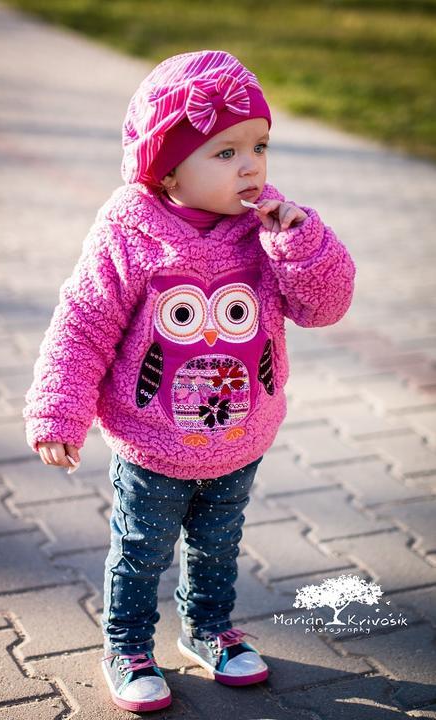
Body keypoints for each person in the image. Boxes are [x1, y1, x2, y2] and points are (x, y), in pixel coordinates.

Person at [23, 49, 356, 712]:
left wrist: (300, 243)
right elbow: (83, 323)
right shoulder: (129, 231)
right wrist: (59, 412)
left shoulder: (270, 227)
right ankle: (127, 646)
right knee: (141, 550)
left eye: (259, 146)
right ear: (168, 167)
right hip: (152, 441)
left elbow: (324, 308)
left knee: (217, 546)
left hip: (240, 436)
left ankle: (209, 630)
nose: (251, 165)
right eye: (226, 152)